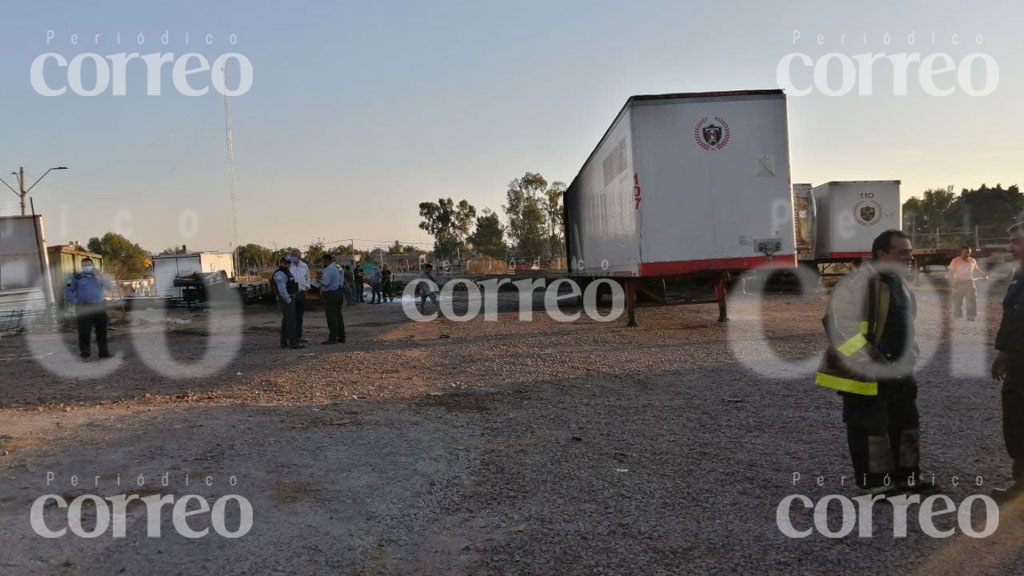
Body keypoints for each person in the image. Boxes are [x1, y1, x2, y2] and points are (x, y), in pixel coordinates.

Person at [815, 229, 936, 495]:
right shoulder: (856, 284)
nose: (910, 256)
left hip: (900, 369)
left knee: (905, 424)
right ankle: (875, 485)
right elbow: (840, 329)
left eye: (910, 251)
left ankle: (907, 478)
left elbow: (906, 325)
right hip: (866, 372)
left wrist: (910, 355)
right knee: (870, 429)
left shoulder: (899, 282)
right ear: (882, 254)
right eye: (902, 251)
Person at [991, 223, 1024, 501]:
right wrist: (1003, 352)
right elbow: (1013, 319)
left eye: (1016, 242)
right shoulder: (1019, 274)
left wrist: (1008, 353)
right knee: (1015, 423)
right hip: (1016, 363)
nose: (1011, 248)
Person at [64, 258, 114, 359]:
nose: (87, 267)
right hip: (84, 307)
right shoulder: (77, 278)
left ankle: (104, 353)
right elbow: (68, 291)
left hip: (99, 307)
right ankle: (85, 354)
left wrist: (101, 276)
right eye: (84, 265)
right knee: (84, 332)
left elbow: (110, 287)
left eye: (88, 265)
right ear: (82, 266)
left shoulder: (99, 276)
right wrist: (76, 301)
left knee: (102, 331)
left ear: (92, 265)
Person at [272, 257, 303, 349]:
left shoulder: (286, 272)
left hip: (289, 299)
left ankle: (284, 342)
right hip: (286, 300)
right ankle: (293, 343)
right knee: (291, 322)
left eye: (289, 263)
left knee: (287, 321)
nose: (288, 264)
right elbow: (282, 289)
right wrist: (288, 300)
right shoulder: (280, 274)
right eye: (286, 263)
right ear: (282, 263)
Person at [949, 245, 987, 321]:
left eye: (969, 253)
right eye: (966, 252)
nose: (968, 254)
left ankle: (971, 315)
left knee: (972, 299)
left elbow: (976, 269)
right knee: (958, 300)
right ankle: (957, 315)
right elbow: (951, 273)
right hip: (959, 282)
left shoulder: (972, 260)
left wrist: (983, 274)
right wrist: (952, 282)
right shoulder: (955, 261)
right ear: (961, 252)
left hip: (970, 282)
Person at [319, 254, 346, 344]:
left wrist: (318, 280)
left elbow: (325, 283)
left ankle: (333, 338)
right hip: (338, 292)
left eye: (323, 261)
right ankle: (342, 337)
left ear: (327, 260)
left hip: (331, 294)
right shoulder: (338, 268)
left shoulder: (329, 269)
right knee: (338, 316)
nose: (323, 263)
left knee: (331, 317)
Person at [289, 248, 312, 342]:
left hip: (301, 294)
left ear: (299, 255)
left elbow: (308, 279)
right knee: (291, 316)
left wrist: (306, 289)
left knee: (299, 316)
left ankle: (298, 336)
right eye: (291, 255)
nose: (293, 256)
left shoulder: (304, 266)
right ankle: (291, 337)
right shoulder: (289, 266)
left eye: (294, 254)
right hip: (292, 294)